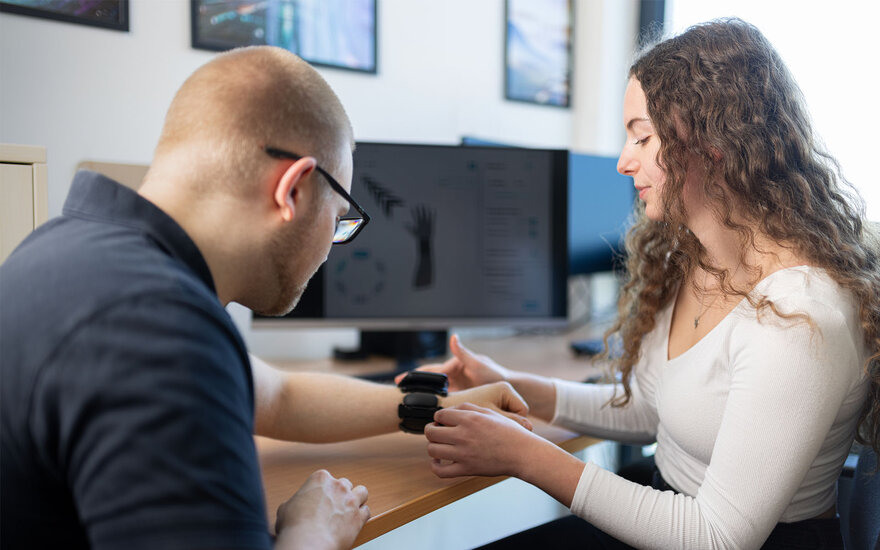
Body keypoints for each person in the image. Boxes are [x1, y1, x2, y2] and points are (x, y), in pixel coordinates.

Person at [0, 46, 530, 550]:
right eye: (341, 218)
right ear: (293, 190)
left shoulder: (79, 252)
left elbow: (277, 396)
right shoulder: (157, 331)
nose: (333, 243)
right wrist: (315, 529)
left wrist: (443, 407)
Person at [410, 18, 880, 550]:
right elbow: (653, 407)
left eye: (642, 136)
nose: (622, 160)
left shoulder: (800, 313)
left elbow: (715, 536)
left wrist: (524, 455)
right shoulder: (701, 261)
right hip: (669, 513)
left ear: (712, 144)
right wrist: (518, 386)